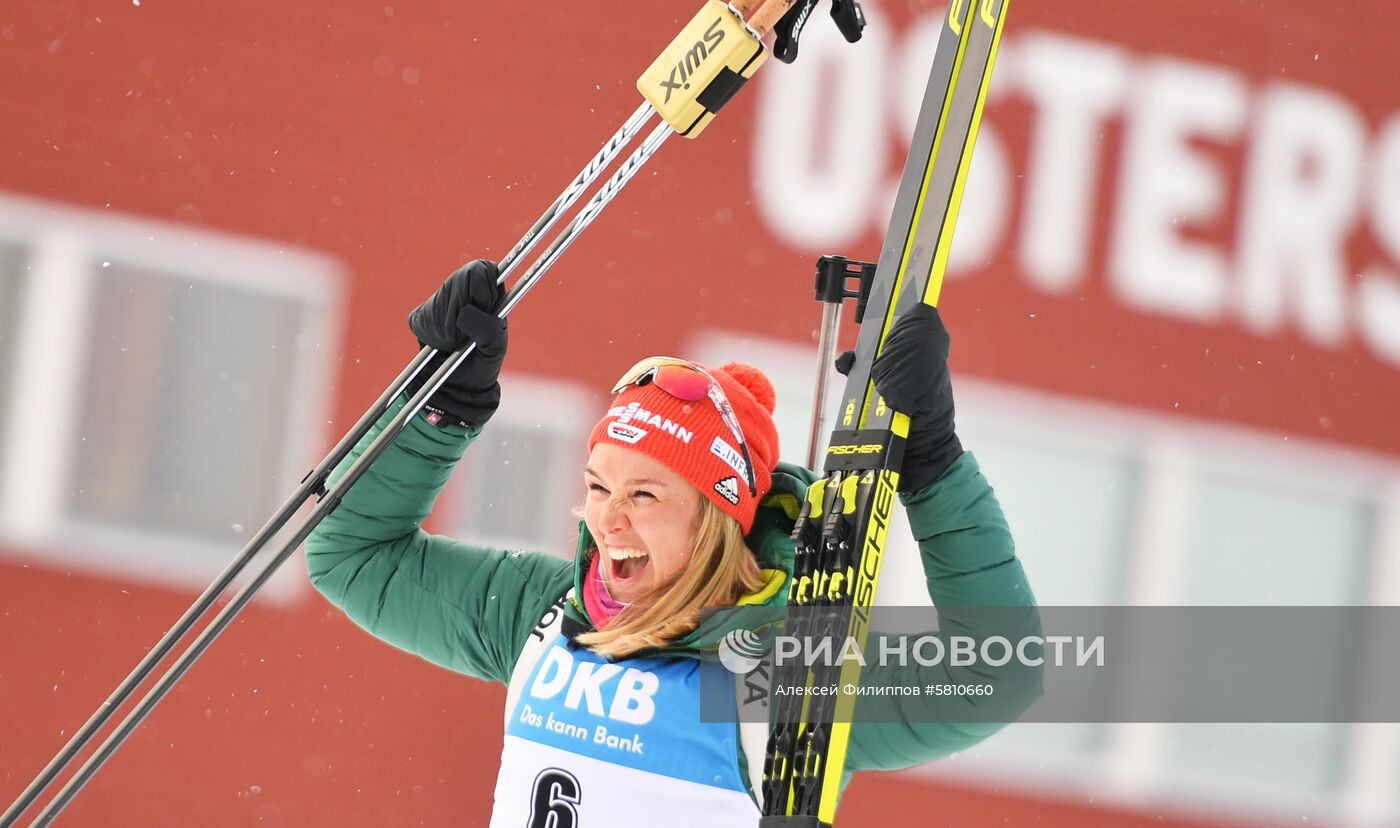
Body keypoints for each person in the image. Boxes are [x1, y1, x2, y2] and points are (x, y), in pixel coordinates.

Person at [306, 260, 1040, 825]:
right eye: (598, 486)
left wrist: (936, 467)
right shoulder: (547, 613)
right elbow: (352, 555)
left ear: (718, 517)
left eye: (645, 495)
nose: (607, 521)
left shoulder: (777, 681)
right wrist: (437, 405)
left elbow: (996, 676)